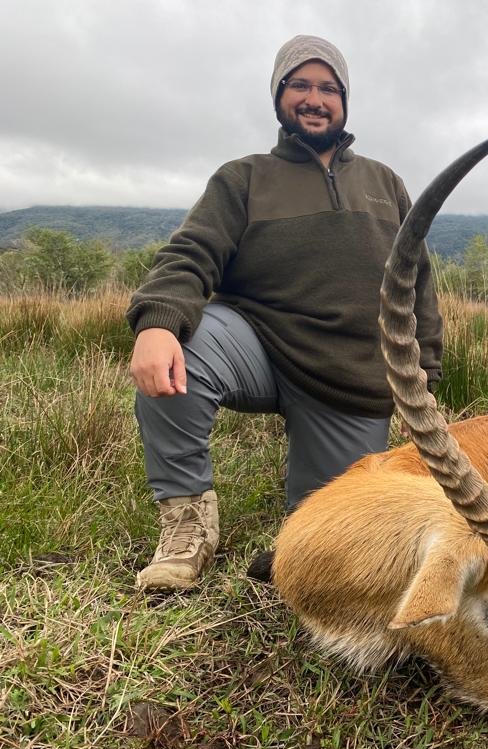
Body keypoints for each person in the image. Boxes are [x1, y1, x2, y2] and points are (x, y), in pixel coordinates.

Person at [126, 35, 443, 591]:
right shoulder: (243, 177)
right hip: (256, 342)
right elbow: (190, 253)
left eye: (327, 87)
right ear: (278, 95)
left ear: (344, 100)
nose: (313, 98)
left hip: (349, 378)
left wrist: (426, 377)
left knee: (325, 535)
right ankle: (188, 525)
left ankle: (308, 515)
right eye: (299, 84)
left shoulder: (385, 183)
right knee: (185, 350)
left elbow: (417, 284)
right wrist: (156, 321)